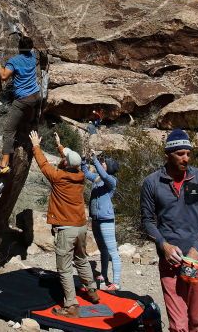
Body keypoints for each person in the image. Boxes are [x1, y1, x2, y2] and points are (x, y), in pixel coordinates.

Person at [140, 129, 198, 332]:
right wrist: (163, 245)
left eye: (188, 153)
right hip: (170, 264)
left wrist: (196, 249)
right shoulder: (152, 183)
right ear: (168, 154)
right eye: (180, 154)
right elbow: (148, 221)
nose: (186, 158)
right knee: (178, 326)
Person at [28, 129, 100, 318]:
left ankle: (71, 306)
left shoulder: (59, 177)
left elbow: (43, 164)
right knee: (82, 259)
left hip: (66, 229)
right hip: (81, 227)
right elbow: (70, 159)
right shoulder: (80, 176)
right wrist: (60, 145)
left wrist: (36, 146)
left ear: (66, 163)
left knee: (65, 268)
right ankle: (92, 290)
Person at [0, 35, 41, 177]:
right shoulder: (32, 56)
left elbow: (4, 76)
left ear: (19, 47)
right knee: (28, 122)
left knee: (8, 131)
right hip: (36, 96)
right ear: (30, 48)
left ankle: (3, 166)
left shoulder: (15, 61)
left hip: (23, 100)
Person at [81, 150, 122, 291]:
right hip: (96, 219)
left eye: (104, 163)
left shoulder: (111, 180)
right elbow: (86, 173)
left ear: (109, 166)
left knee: (112, 251)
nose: (102, 164)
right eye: (101, 162)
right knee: (103, 249)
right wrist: (83, 160)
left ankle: (116, 283)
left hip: (106, 220)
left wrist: (94, 159)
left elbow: (104, 175)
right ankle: (104, 275)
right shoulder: (97, 178)